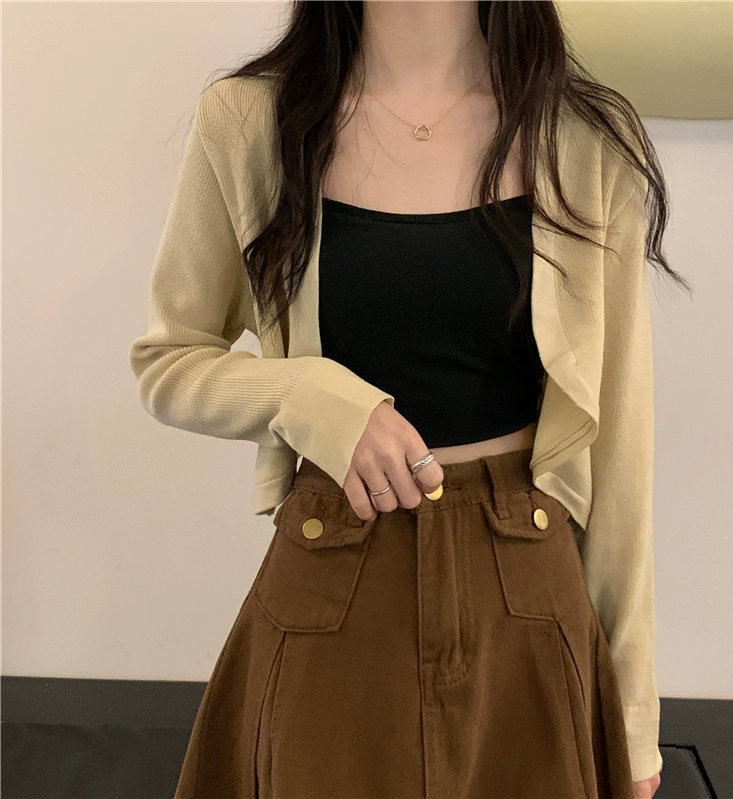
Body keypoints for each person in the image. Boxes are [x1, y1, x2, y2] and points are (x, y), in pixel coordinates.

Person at [129, 1, 691, 797]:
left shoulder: (585, 138)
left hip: (527, 598)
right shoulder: (250, 121)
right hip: (333, 575)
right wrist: (309, 396)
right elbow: (169, 360)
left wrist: (631, 718)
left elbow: (621, 449)